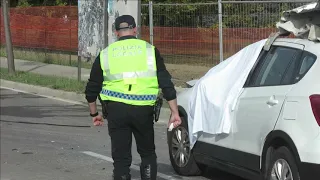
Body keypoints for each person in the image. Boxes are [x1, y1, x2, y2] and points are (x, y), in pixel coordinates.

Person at [84, 15, 182, 180]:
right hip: (144, 111)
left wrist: (94, 115)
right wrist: (175, 112)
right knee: (147, 153)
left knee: (121, 158)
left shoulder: (106, 54)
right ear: (135, 29)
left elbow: (91, 89)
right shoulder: (150, 50)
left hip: (116, 111)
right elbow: (166, 83)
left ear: (116, 32)